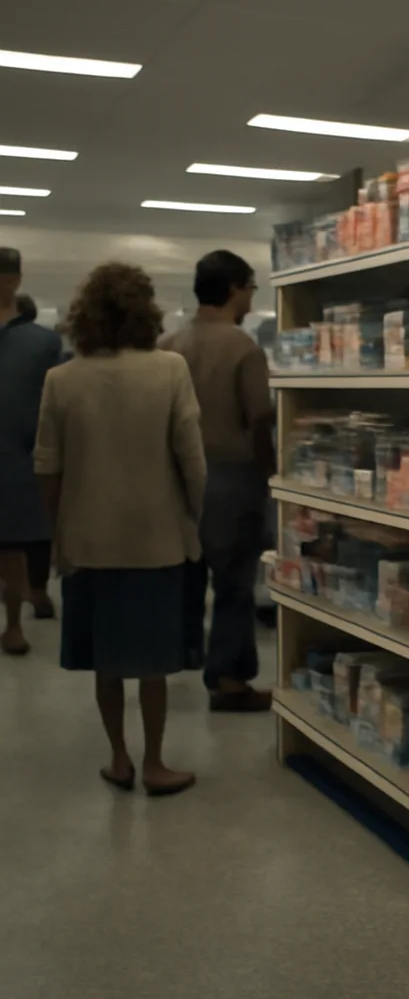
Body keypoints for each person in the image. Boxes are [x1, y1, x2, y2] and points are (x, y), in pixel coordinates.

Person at [34, 262, 207, 796]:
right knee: (153, 663)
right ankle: (156, 762)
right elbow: (191, 459)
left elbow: (47, 469)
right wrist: (191, 519)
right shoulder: (170, 369)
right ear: (146, 311)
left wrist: (59, 535)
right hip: (157, 540)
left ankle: (119, 759)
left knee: (104, 662)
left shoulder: (62, 379)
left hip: (89, 542)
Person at [164, 250, 275, 713]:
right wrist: (273, 475)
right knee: (233, 584)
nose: (251, 297)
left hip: (177, 478)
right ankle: (228, 679)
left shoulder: (168, 345)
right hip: (233, 477)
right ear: (233, 288)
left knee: (186, 576)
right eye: (250, 287)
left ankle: (180, 657)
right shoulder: (243, 348)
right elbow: (260, 418)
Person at [0, 252, 62, 655]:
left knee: (12, 548)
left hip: (16, 459)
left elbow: (51, 406)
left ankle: (13, 626)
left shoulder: (42, 342)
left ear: (16, 280)